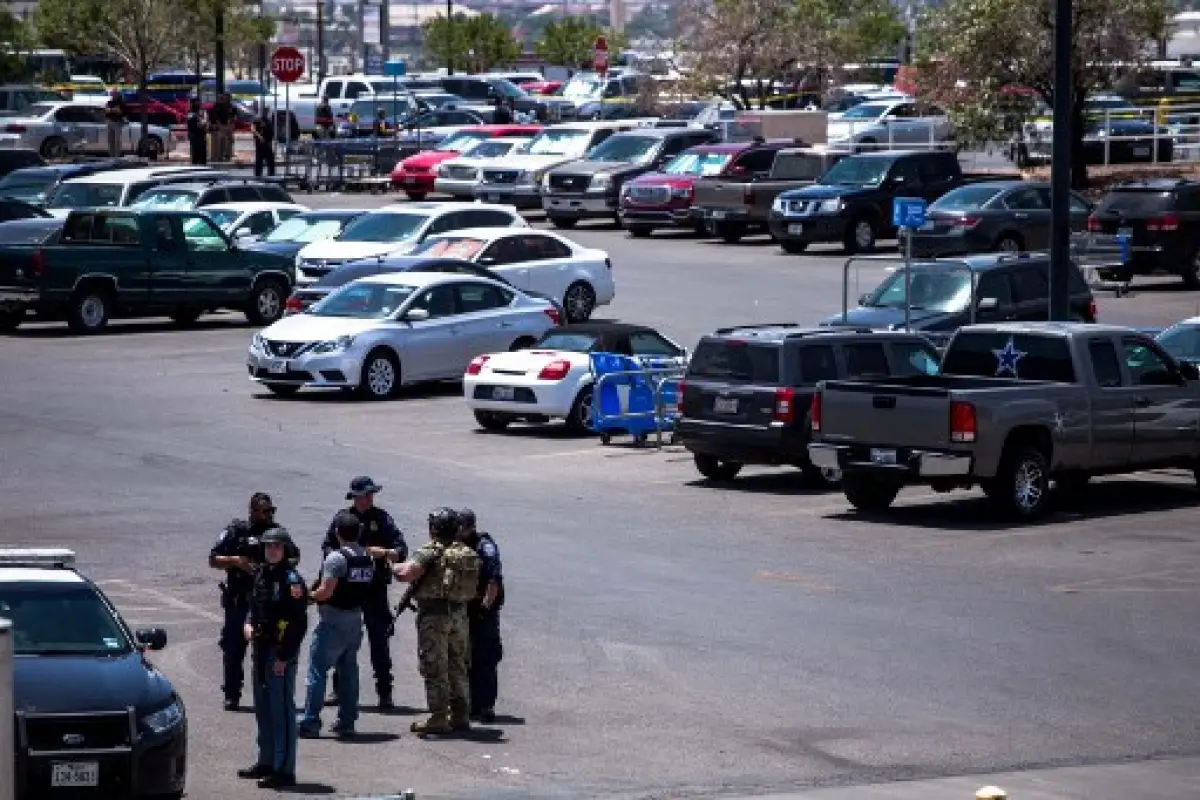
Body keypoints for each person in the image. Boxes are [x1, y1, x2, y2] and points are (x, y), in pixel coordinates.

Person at [392, 507, 480, 735]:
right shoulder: (463, 551)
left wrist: (390, 564)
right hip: (459, 615)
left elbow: (406, 574)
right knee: (457, 665)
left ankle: (438, 717)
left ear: (434, 529)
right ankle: (461, 714)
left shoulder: (431, 550)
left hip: (435, 616)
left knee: (434, 666)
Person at [209, 493, 299, 710]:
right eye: (265, 511)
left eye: (271, 511)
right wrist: (237, 562)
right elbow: (213, 559)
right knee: (233, 649)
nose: (269, 515)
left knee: (267, 649)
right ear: (252, 510)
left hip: (266, 603)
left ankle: (266, 692)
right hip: (239, 601)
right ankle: (232, 694)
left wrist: (274, 565)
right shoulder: (237, 531)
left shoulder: (276, 533)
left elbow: (295, 556)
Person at [322, 476, 406, 709]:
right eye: (364, 495)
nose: (368, 499)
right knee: (342, 639)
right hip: (346, 589)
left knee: (379, 640)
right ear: (355, 497)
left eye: (371, 495)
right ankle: (338, 690)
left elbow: (401, 550)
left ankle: (384, 692)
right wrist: (343, 558)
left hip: (374, 589)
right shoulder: (342, 519)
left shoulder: (382, 519)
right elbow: (327, 548)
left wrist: (385, 553)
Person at [238, 528, 307, 789]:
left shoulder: (292, 581)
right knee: (263, 708)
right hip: (261, 648)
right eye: (268, 547)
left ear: (286, 549)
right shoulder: (262, 575)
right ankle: (266, 761)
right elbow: (254, 607)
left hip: (279, 652)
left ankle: (284, 769)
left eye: (277, 546)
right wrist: (247, 624)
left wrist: (284, 656)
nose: (272, 550)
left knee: (281, 710)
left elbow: (298, 623)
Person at [300, 510, 374, 738]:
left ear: (337, 533)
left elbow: (326, 591)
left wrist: (306, 597)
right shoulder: (367, 558)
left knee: (317, 671)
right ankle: (347, 721)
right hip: (355, 620)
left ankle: (311, 721)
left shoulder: (336, 558)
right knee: (349, 672)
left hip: (333, 620)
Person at [458, 508, 503, 723]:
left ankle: (486, 705)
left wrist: (485, 608)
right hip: (465, 609)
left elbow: (493, 581)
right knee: (464, 657)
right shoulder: (457, 544)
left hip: (483, 611)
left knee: (485, 657)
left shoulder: (485, 547)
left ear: (471, 528)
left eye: (463, 529)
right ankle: (470, 704)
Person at [210, 92, 235, 162]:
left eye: (222, 98)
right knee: (218, 143)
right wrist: (219, 125)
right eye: (221, 98)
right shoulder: (215, 107)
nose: (222, 99)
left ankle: (225, 155)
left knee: (226, 142)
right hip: (219, 126)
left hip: (226, 125)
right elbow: (216, 117)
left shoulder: (228, 106)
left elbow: (232, 116)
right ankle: (217, 156)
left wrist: (230, 124)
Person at [253, 111, 276, 177]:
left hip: (265, 142)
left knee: (264, 161)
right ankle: (262, 176)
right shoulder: (259, 121)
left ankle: (263, 175)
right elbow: (253, 129)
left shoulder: (268, 121)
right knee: (266, 161)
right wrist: (260, 137)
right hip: (263, 144)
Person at [187, 98, 208, 165]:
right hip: (194, 135)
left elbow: (205, 121)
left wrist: (203, 123)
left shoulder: (203, 112)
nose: (198, 104)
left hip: (202, 135)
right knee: (195, 155)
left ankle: (202, 165)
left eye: (199, 102)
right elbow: (191, 124)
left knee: (203, 154)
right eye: (196, 102)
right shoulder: (190, 113)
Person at [104, 91, 126, 157]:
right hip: (110, 122)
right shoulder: (109, 102)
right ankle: (111, 156)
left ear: (118, 94)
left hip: (118, 123)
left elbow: (120, 112)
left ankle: (117, 156)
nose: (114, 95)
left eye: (115, 94)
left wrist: (111, 110)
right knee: (111, 141)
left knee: (117, 141)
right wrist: (114, 110)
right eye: (113, 94)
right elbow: (106, 110)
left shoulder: (121, 103)